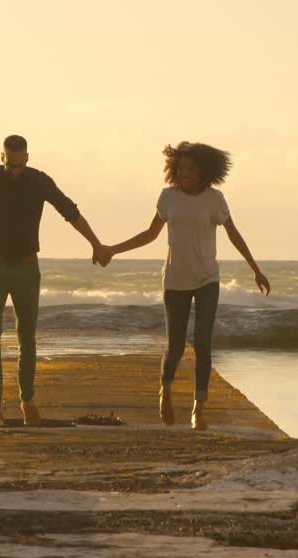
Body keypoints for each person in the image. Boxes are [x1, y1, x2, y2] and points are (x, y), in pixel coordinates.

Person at [0, 135, 112, 425]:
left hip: (27, 269)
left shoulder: (39, 181)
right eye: (11, 164)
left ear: (27, 157)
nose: (16, 170)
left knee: (27, 336)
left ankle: (28, 401)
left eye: (21, 164)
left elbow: (69, 211)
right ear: (3, 157)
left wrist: (96, 244)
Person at [106, 142, 270, 430]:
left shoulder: (215, 199)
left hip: (207, 278)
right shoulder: (168, 197)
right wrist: (112, 249)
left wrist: (255, 269)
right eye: (180, 168)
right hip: (175, 279)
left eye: (190, 169)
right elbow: (149, 234)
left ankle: (199, 408)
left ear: (203, 173)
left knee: (204, 344)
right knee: (176, 348)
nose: (183, 173)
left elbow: (234, 235)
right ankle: (165, 390)